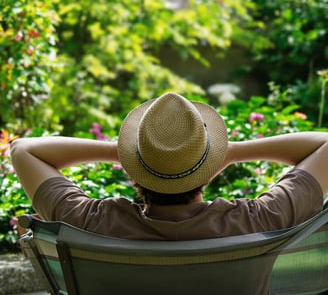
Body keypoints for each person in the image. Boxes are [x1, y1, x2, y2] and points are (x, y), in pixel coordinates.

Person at [10, 92, 328, 240]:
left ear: (135, 168)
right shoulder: (257, 220)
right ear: (208, 169)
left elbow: (24, 150)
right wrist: (228, 153)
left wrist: (124, 153)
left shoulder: (93, 223)